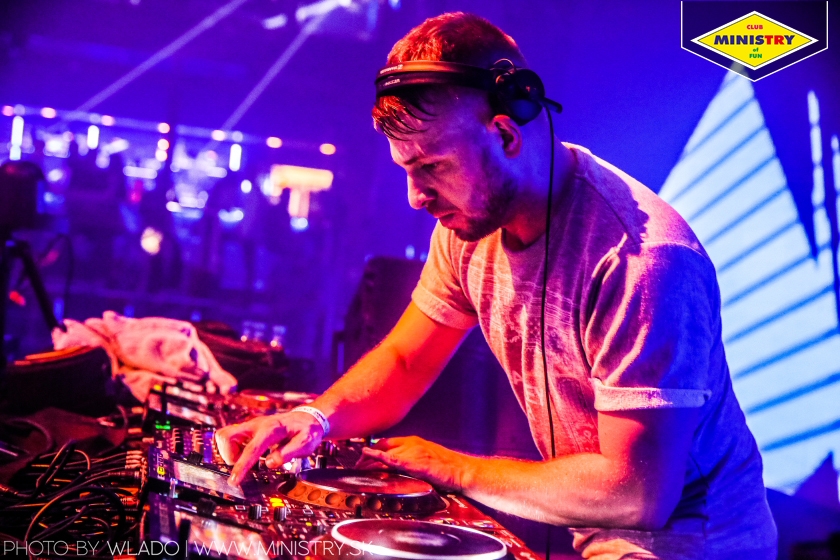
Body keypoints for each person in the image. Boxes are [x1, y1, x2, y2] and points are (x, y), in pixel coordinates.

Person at [215, 12, 777, 559]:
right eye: (407, 170)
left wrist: (455, 468)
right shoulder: (467, 226)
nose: (416, 197)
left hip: (694, 547)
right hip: (594, 532)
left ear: (505, 134)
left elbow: (637, 494)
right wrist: (315, 419)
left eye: (432, 166)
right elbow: (405, 361)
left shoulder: (641, 260)